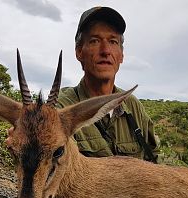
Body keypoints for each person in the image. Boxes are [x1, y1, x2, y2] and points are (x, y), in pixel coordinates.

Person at [57, 6, 159, 162]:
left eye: (113, 41)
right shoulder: (61, 108)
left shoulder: (133, 106)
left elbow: (154, 157)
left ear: (121, 55)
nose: (105, 51)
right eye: (95, 41)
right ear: (79, 52)